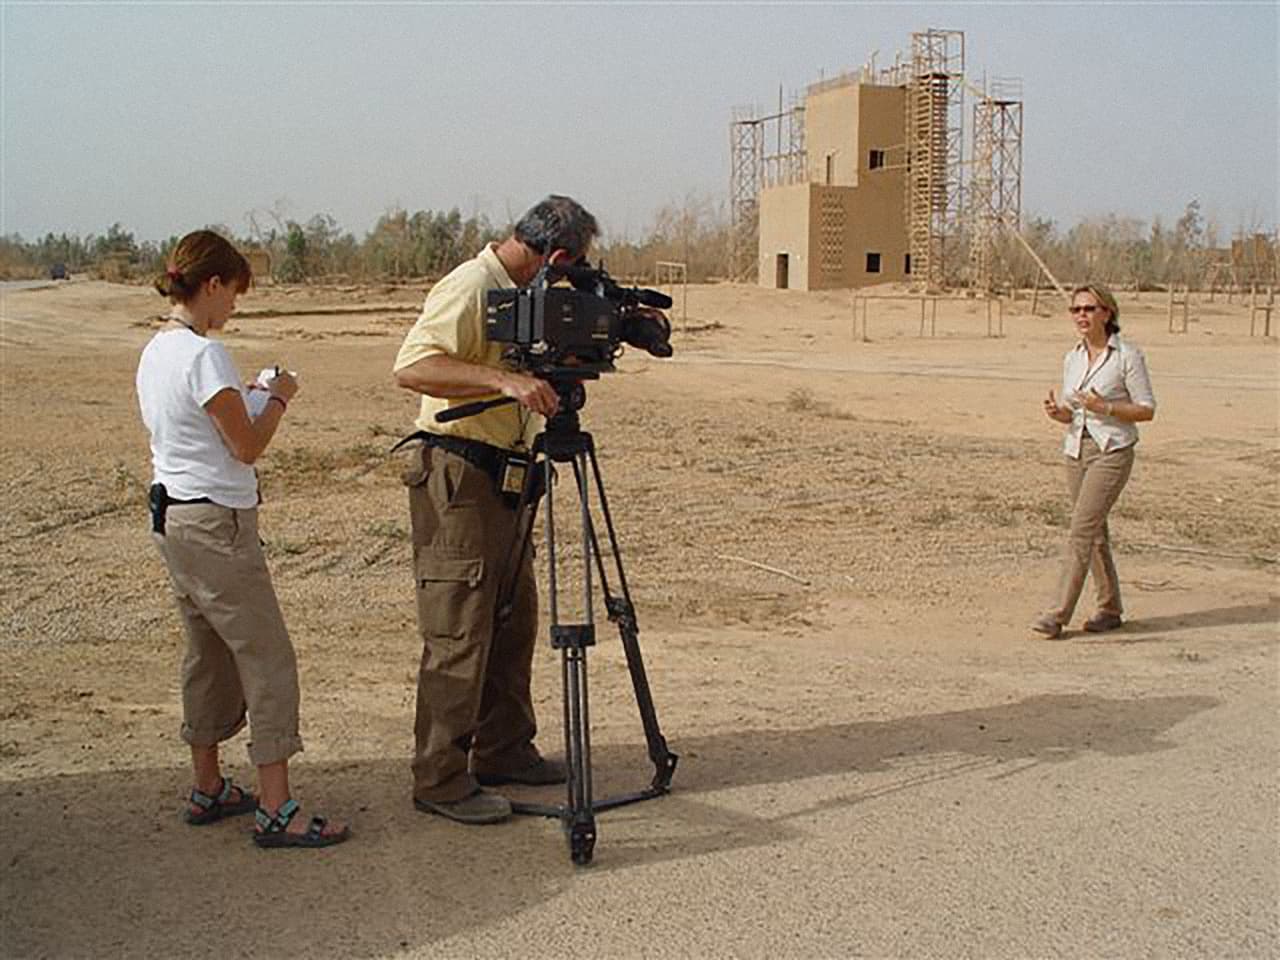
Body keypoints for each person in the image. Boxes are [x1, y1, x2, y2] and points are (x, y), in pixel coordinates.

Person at [391, 195, 604, 824]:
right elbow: (412, 366)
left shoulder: (523, 295)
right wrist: (503, 382)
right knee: (459, 628)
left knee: (513, 621)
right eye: (571, 268)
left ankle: (504, 749)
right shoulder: (472, 285)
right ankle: (440, 778)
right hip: (459, 473)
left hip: (509, 475)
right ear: (556, 255)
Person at [136, 229, 349, 848]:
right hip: (216, 524)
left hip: (175, 517)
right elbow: (246, 446)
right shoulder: (204, 355)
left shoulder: (156, 350)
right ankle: (276, 807)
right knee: (266, 656)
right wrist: (277, 398)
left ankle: (207, 785)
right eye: (232, 291)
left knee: (207, 652)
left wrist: (250, 396)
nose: (233, 304)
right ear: (211, 284)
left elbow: (202, 429)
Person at [1033, 283, 1156, 639]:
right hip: (1076, 449)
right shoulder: (1072, 358)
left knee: (1081, 530)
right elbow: (1073, 411)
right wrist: (1058, 413)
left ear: (1107, 313)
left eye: (1089, 309)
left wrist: (1107, 407)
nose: (1081, 316)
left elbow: (1146, 409)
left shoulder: (1126, 356)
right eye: (1076, 310)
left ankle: (1056, 614)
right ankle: (1110, 608)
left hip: (1112, 451)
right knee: (1095, 531)